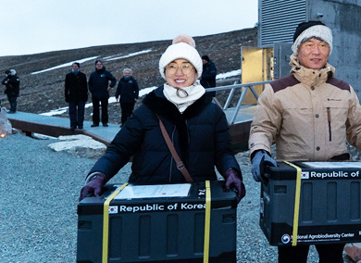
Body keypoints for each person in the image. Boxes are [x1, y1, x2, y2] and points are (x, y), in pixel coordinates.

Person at [248, 21, 361, 263]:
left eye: (322, 45)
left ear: (329, 50)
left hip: (335, 188)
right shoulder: (276, 91)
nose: (316, 51)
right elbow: (263, 129)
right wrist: (260, 152)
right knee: (292, 256)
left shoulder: (344, 90)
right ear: (297, 50)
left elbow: (359, 129)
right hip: (293, 186)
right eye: (309, 44)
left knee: (331, 255)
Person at [80, 42, 245, 203]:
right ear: (164, 72)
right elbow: (119, 150)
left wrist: (231, 172)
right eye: (172, 66)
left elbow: (223, 153)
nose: (179, 72)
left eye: (186, 66)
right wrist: (98, 175)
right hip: (148, 202)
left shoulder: (212, 112)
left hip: (196, 202)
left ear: (196, 72)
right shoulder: (148, 110)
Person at [88, 60, 116, 127]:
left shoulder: (106, 73)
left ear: (102, 65)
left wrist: (110, 86)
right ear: (95, 66)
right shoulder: (93, 74)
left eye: (100, 64)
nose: (99, 65)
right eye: (98, 64)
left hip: (104, 94)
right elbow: (89, 83)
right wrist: (92, 90)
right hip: (95, 94)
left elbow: (113, 80)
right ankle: (95, 122)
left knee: (104, 109)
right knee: (95, 109)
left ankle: (105, 122)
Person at [64, 62, 88, 129]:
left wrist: (86, 96)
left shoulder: (82, 75)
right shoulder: (68, 76)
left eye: (76, 66)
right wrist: (66, 96)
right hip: (72, 97)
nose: (74, 67)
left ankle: (80, 124)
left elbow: (85, 86)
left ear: (78, 67)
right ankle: (73, 125)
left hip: (81, 97)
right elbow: (66, 87)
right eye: (73, 66)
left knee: (81, 111)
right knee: (72, 111)